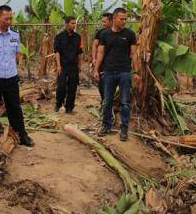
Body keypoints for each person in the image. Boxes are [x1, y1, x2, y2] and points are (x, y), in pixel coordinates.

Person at [0, 5, 34, 147]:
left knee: (15, 108)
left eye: (11, 18)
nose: (9, 22)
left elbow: (18, 53)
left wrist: (11, 66)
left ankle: (21, 135)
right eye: (6, 19)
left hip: (11, 78)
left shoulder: (15, 35)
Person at [94, 7, 140, 141]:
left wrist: (136, 71)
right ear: (114, 19)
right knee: (107, 101)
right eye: (121, 19)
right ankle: (106, 125)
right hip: (108, 72)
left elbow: (133, 54)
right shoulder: (105, 35)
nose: (124, 21)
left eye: (125, 19)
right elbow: (100, 53)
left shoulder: (130, 34)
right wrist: (97, 70)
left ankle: (124, 128)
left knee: (125, 102)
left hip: (124, 72)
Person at [54, 16, 83, 114]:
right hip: (62, 66)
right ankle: (58, 104)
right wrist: (58, 65)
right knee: (61, 86)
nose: (74, 25)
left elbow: (79, 52)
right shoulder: (59, 37)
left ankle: (69, 108)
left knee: (72, 88)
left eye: (75, 23)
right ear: (66, 24)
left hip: (73, 66)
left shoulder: (78, 37)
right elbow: (57, 52)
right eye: (72, 23)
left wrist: (79, 65)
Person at [91, 12, 113, 104]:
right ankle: (104, 101)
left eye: (105, 22)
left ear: (111, 21)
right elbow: (95, 46)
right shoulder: (100, 32)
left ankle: (110, 103)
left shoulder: (120, 33)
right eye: (102, 22)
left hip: (114, 63)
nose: (103, 24)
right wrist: (94, 58)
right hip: (102, 62)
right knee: (101, 83)